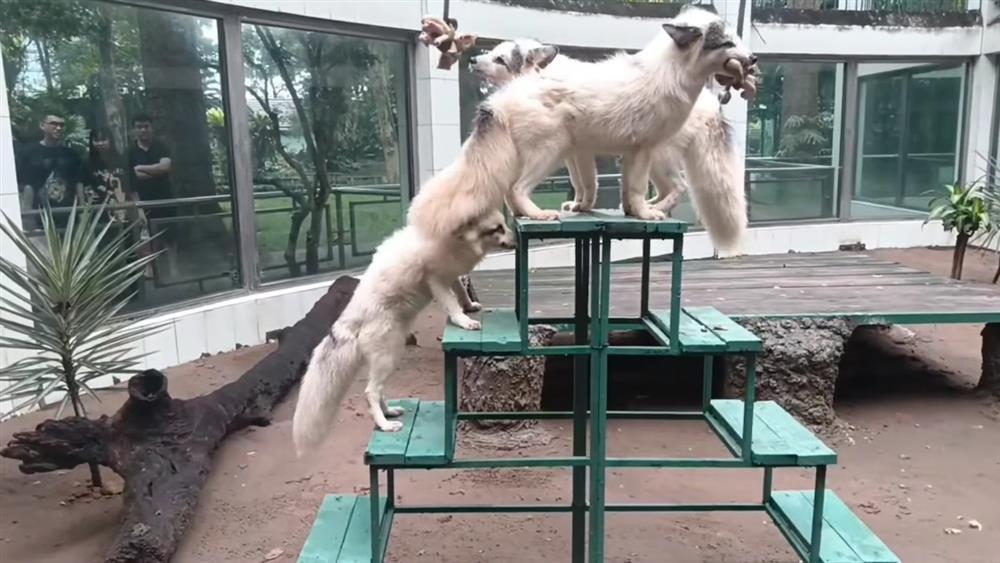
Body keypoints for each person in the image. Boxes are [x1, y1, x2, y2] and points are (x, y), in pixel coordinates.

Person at [127, 113, 176, 277]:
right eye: (139, 127)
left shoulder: (161, 146)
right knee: (145, 236)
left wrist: (140, 167)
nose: (143, 130)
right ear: (134, 130)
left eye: (146, 126)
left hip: (165, 198)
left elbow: (165, 167)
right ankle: (149, 268)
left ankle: (173, 268)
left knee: (170, 235)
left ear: (151, 127)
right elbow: (132, 178)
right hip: (142, 200)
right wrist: (155, 171)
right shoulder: (129, 151)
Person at [15, 113, 83, 229]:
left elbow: (78, 183)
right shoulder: (28, 153)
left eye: (61, 125)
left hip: (69, 219)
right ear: (42, 125)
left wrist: (82, 212)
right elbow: (25, 185)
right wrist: (27, 215)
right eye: (54, 124)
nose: (58, 128)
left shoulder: (71, 154)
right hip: (39, 218)